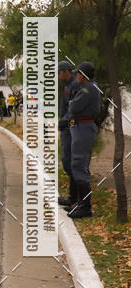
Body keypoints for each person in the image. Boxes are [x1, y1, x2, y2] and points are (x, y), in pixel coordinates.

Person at [66, 61, 101, 219]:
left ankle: (85, 207)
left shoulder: (88, 88)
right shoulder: (88, 87)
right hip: (81, 126)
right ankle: (81, 203)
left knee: (78, 164)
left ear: (83, 75)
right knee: (78, 164)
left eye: (78, 73)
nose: (76, 76)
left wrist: (72, 103)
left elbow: (73, 107)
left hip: (84, 127)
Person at [57, 61, 78, 209]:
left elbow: (73, 110)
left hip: (70, 127)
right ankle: (72, 196)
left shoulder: (75, 85)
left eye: (58, 73)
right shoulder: (68, 85)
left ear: (65, 71)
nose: (57, 76)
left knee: (71, 162)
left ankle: (76, 198)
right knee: (67, 161)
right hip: (66, 127)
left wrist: (63, 122)